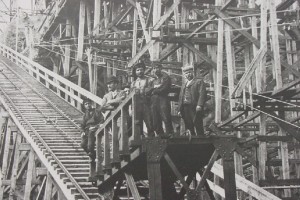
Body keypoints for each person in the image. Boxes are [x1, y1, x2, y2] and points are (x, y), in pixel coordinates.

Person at [178, 64, 206, 136]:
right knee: (188, 124)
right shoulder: (184, 84)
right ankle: (192, 139)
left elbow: (202, 94)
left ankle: (201, 139)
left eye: (189, 72)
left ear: (192, 72)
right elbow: (181, 97)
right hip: (185, 107)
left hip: (194, 106)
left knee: (197, 123)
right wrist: (179, 109)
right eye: (186, 73)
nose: (188, 74)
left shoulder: (199, 81)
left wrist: (199, 105)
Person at [148, 63, 174, 138]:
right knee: (155, 118)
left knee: (166, 116)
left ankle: (170, 134)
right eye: (154, 68)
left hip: (163, 99)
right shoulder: (151, 79)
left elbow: (165, 88)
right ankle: (160, 134)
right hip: (153, 101)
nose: (156, 70)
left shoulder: (165, 77)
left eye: (157, 68)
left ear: (160, 68)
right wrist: (155, 87)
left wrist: (154, 90)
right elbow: (148, 90)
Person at [131, 62, 154, 137]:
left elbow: (151, 90)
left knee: (149, 121)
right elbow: (131, 95)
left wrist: (144, 91)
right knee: (138, 122)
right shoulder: (133, 83)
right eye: (137, 70)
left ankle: (151, 137)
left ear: (144, 70)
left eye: (141, 70)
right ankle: (140, 137)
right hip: (137, 105)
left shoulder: (149, 80)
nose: (140, 72)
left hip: (146, 104)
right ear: (135, 72)